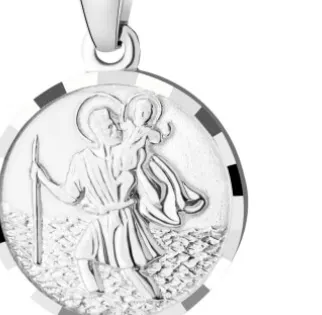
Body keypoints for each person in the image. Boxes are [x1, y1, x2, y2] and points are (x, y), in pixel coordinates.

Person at [31, 92, 206, 300]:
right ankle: (95, 297)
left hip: (123, 220)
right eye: (109, 126)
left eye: (115, 123)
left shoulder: (125, 154)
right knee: (82, 256)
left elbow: (145, 161)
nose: (117, 128)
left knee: (128, 268)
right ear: (96, 133)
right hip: (102, 220)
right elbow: (69, 196)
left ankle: (155, 299)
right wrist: (43, 178)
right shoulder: (81, 160)